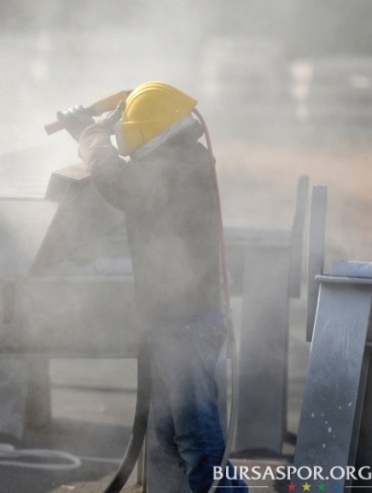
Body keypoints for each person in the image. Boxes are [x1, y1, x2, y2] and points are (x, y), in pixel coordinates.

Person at [59, 81, 248, 493]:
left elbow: (119, 181)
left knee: (198, 435)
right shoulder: (180, 158)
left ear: (145, 129)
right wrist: (101, 127)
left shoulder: (177, 168)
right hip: (173, 319)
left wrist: (90, 134)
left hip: (187, 321)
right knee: (175, 431)